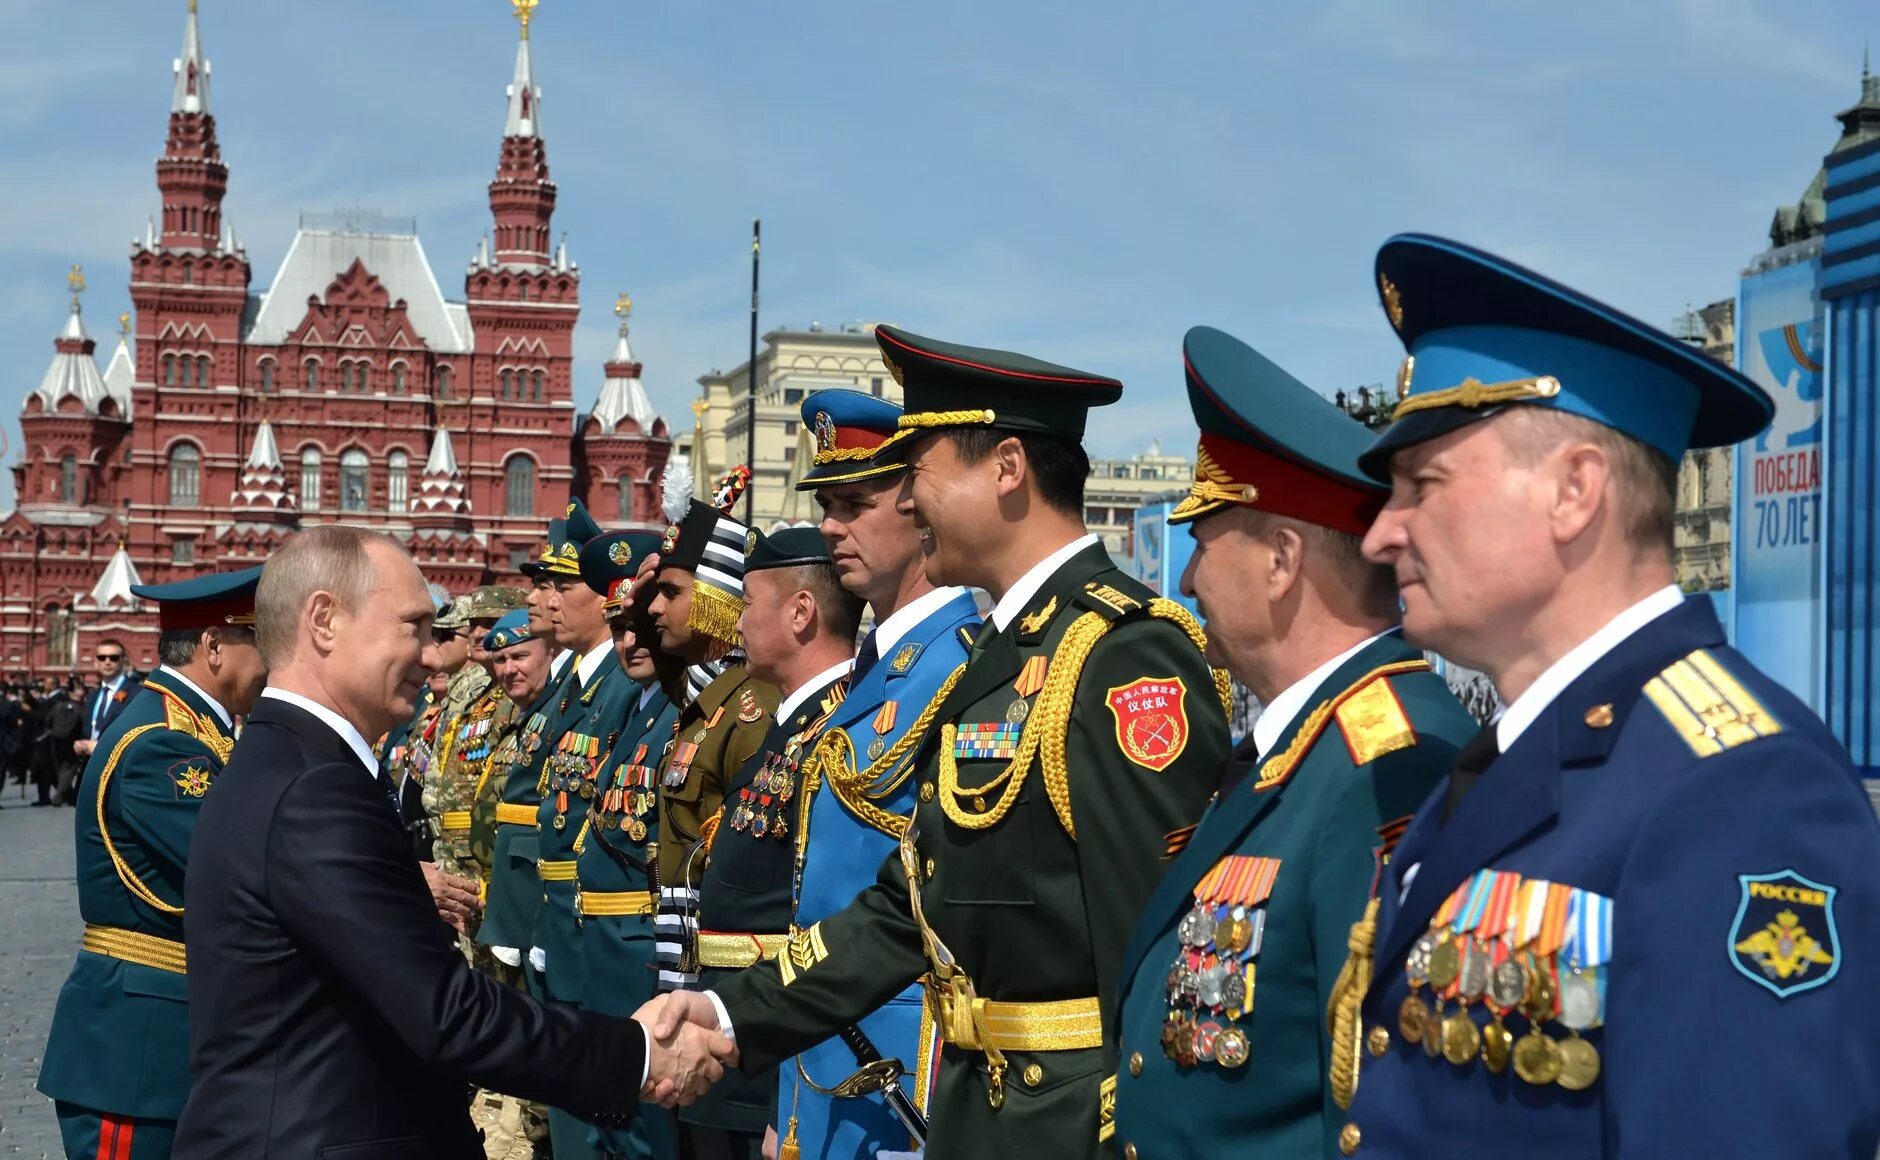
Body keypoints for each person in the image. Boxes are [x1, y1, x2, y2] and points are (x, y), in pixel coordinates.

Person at [1339, 234, 1880, 1158]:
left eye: (1421, 485)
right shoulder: (1516, 755)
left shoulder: (1741, 792)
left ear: (1574, 491)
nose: (1380, 536)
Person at [651, 324, 1233, 1160]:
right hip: (976, 1116)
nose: (909, 502)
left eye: (920, 472)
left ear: (1006, 469)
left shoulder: (1120, 654)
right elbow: (909, 908)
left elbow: (1158, 953)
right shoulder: (998, 655)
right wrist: (727, 1013)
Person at [173, 525, 734, 1158]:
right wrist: (635, 1053)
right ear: (324, 621)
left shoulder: (291, 761)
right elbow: (445, 1014)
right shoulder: (313, 786)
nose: (433, 656)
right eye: (411, 627)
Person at [1107, 327, 1478, 1160]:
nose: (1187, 580)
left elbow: (1377, 1105)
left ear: (1281, 560)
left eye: (1204, 540)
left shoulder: (1389, 764)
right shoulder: (1302, 752)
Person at [774, 388, 982, 1160]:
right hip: (826, 1064)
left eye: (856, 503)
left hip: (903, 1078)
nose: (831, 526)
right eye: (827, 505)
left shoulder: (959, 670)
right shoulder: (875, 671)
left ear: (920, 508)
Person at [38, 568, 267, 1160]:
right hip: (136, 1051)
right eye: (261, 643)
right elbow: (246, 866)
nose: (272, 663)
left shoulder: (194, 732)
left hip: (169, 1037)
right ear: (214, 647)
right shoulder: (162, 743)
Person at [680, 527, 860, 1160]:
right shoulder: (792, 727)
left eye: (749, 602)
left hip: (776, 1050)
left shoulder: (839, 731)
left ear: (801, 612)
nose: (736, 622)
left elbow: (833, 919)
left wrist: (791, 1095)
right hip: (741, 1035)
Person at [532, 507, 646, 1160]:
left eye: (559, 586)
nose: (542, 599)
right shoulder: (582, 689)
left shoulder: (619, 689)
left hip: (605, 934)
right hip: (568, 922)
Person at [645, 466, 779, 994]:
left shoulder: (752, 707)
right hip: (680, 949)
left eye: (671, 593)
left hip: (722, 964)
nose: (654, 608)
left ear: (715, 601)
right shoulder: (701, 700)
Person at [573, 530, 684, 1160]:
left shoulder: (681, 710)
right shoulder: (638, 712)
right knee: (610, 1122)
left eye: (642, 624)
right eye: (618, 628)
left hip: (642, 946)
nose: (630, 642)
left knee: (646, 1130)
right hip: (603, 948)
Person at [480, 506, 601, 988]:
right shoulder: (570, 685)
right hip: (529, 901)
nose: (538, 599)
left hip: (565, 913)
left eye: (556, 586)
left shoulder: (602, 685)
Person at [74, 638, 141, 761]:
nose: (107, 662)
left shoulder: (137, 693)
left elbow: (138, 738)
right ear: (95, 662)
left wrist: (100, 748)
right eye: (102, 657)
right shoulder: (92, 695)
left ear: (123, 661)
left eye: (113, 658)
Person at [46, 682, 87, 805]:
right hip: (73, 742)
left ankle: (67, 796)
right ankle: (60, 796)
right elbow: (85, 726)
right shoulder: (81, 708)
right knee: (68, 770)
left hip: (56, 741)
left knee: (59, 768)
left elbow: (47, 721)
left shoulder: (58, 706)